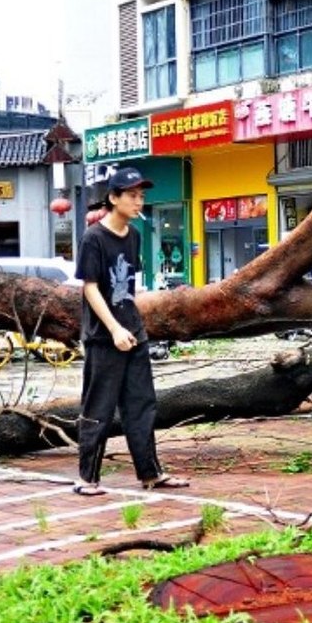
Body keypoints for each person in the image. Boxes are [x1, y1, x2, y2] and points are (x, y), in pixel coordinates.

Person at [72, 167, 189, 496]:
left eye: (142, 196)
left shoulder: (134, 235)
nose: (139, 202)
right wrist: (113, 329)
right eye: (132, 196)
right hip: (103, 337)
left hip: (133, 332)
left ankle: (150, 474)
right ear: (113, 198)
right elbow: (91, 289)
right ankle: (87, 478)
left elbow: (128, 289)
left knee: (142, 404)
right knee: (99, 406)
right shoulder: (93, 238)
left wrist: (133, 324)